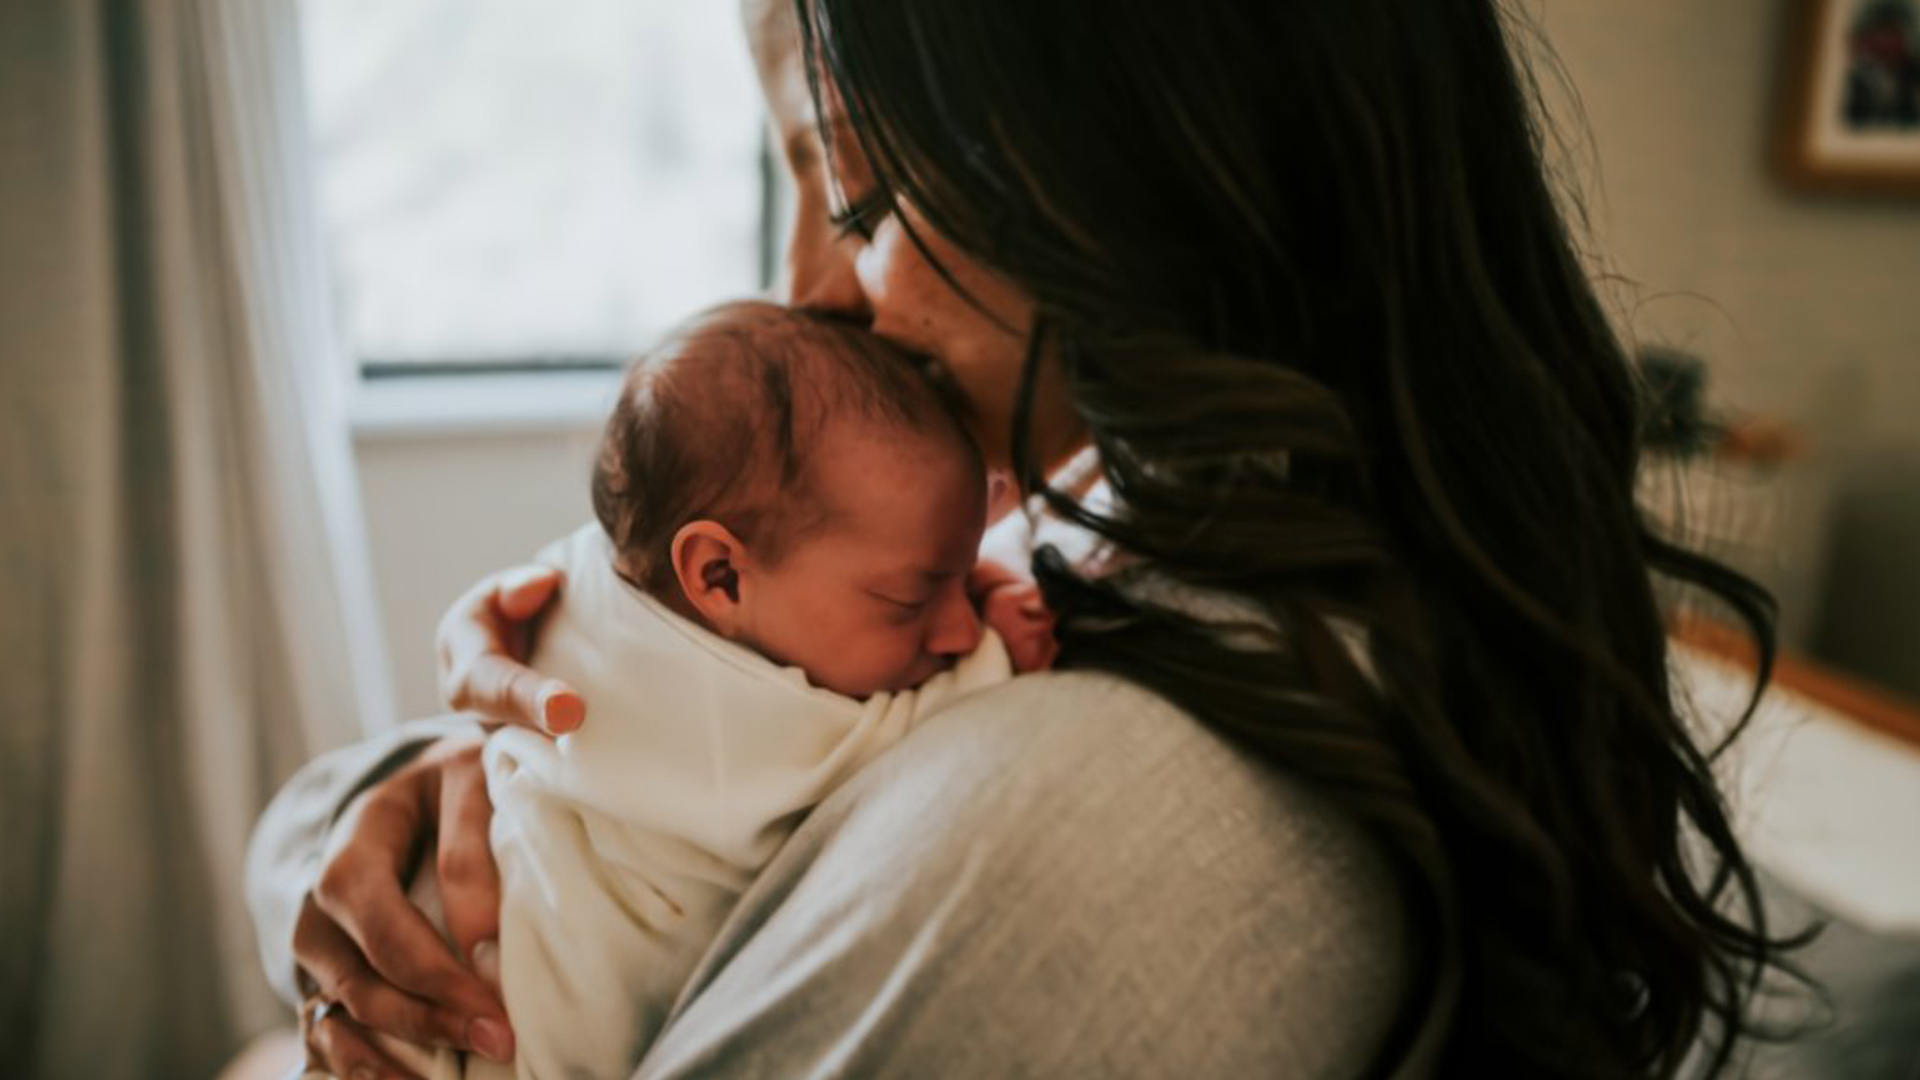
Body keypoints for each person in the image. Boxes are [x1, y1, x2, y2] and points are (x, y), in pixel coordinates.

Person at [249, 0, 1800, 1077]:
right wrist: (467, 782)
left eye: (858, 195)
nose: (814, 291)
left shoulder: (1076, 813)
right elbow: (309, 833)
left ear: (1120, 153)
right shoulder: (1115, 546)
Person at [321, 300, 1056, 1080]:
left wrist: (941, 571)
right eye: (913, 599)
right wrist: (1000, 655)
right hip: (491, 1022)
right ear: (719, 574)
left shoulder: (597, 575)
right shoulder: (736, 729)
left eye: (963, 572)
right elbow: (879, 751)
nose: (957, 628)